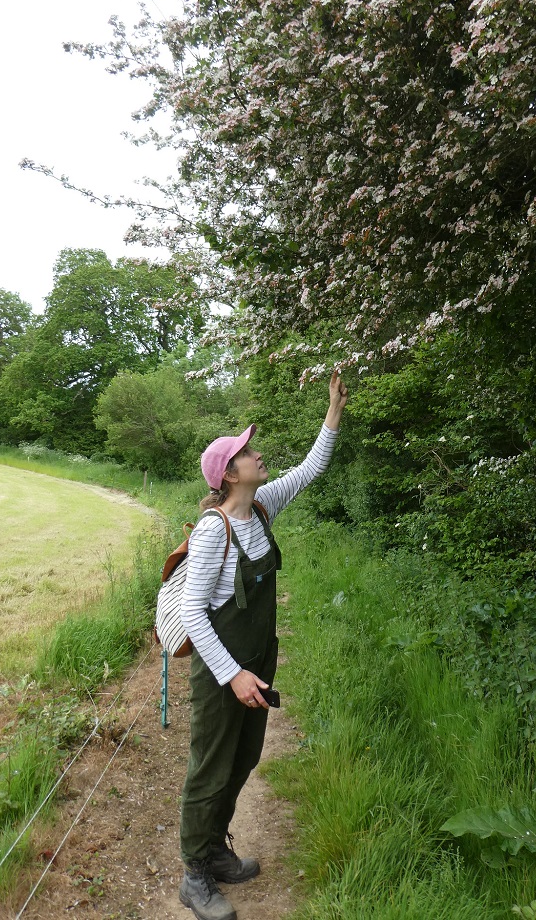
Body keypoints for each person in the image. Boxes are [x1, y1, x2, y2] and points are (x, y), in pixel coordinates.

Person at [178, 371, 349, 920]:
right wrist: (233, 674)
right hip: (221, 671)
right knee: (210, 767)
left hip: (258, 662)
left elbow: (312, 468)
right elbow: (192, 613)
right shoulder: (214, 531)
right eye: (247, 453)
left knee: (244, 759)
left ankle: (215, 853)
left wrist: (333, 413)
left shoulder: (265, 505)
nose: (258, 455)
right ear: (228, 474)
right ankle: (194, 874)